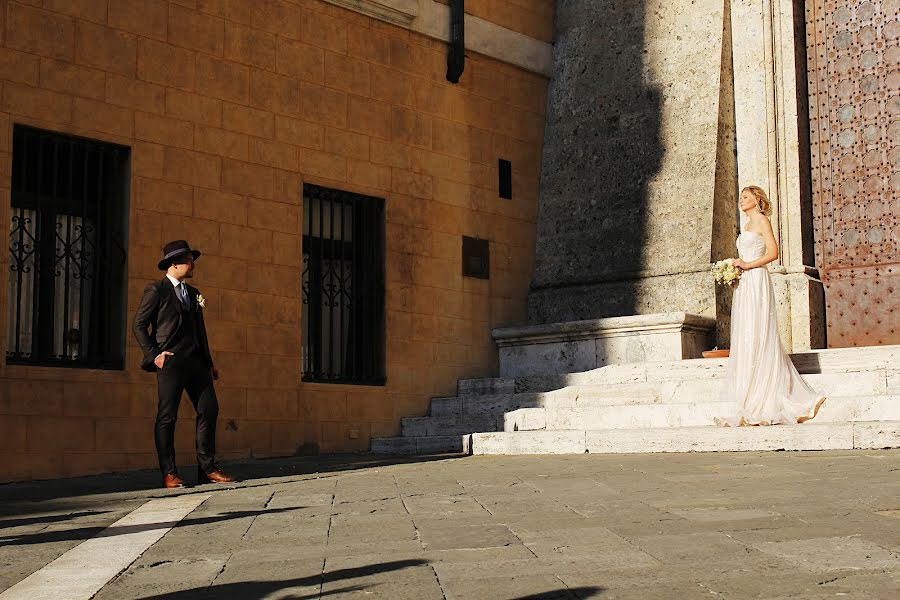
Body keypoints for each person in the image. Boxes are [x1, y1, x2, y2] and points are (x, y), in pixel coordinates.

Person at [715, 187, 826, 426]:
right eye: (740, 197)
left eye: (745, 197)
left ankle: (768, 392)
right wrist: (736, 269)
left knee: (759, 331)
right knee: (747, 334)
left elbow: (773, 253)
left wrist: (747, 265)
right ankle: (750, 394)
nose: (740, 201)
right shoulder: (744, 227)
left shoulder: (762, 221)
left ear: (757, 200)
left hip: (756, 279)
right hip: (744, 283)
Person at [133, 240, 235, 488]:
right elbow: (139, 325)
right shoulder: (157, 290)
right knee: (167, 416)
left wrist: (209, 363)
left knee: (209, 410)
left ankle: (207, 469)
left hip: (197, 363)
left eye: (192, 260)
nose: (192, 264)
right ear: (174, 263)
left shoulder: (192, 293)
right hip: (171, 363)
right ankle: (169, 472)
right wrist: (154, 354)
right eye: (189, 260)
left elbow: (200, 331)